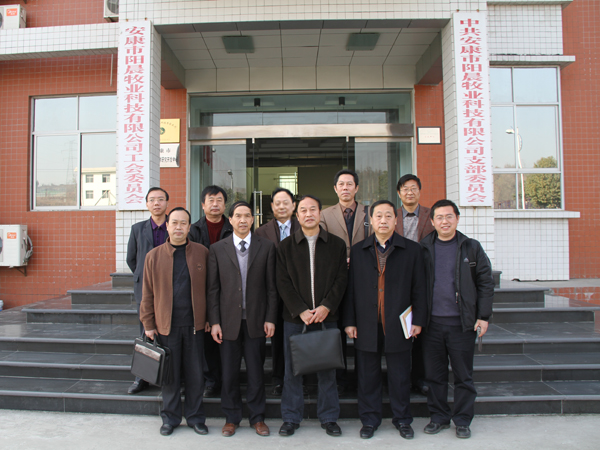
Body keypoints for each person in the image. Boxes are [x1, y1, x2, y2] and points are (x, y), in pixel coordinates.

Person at [344, 200, 427, 440]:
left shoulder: (412, 250)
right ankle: (369, 420)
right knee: (367, 376)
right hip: (366, 324)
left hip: (399, 324)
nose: (383, 220)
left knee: (400, 376)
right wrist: (350, 321)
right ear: (371, 220)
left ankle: (403, 420)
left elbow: (419, 288)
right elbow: (350, 290)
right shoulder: (358, 251)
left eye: (388, 215)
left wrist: (418, 320)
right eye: (378, 215)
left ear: (396, 220)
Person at [420, 199, 494, 439]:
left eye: (449, 216)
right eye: (439, 217)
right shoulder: (424, 248)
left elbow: (485, 283)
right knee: (435, 376)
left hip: (462, 324)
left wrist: (483, 316)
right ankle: (438, 417)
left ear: (457, 219)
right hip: (431, 325)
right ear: (432, 222)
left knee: (463, 376)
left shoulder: (471, 247)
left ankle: (462, 420)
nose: (445, 221)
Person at [276, 195, 348, 437]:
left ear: (320, 213)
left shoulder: (336, 245)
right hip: (296, 319)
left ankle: (329, 417)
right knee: (292, 370)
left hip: (327, 317)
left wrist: (327, 306)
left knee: (328, 369)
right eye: (303, 210)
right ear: (297, 216)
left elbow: (342, 279)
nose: (308, 214)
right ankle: (290, 417)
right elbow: (282, 282)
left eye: (313, 210)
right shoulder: (285, 247)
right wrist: (300, 309)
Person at [208, 201, 278, 437]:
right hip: (228, 322)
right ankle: (231, 418)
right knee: (229, 373)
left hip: (256, 320)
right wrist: (214, 321)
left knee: (256, 372)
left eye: (247, 215)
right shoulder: (217, 249)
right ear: (230, 220)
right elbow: (213, 289)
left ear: (253, 219)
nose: (242, 220)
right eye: (238, 216)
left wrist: (270, 318)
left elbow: (272, 288)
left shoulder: (266, 247)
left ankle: (258, 418)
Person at [140, 207, 210, 436]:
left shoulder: (202, 253)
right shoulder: (153, 256)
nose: (179, 227)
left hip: (195, 326)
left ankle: (195, 418)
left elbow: (211, 289)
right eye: (174, 223)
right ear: (167, 226)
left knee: (195, 375)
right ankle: (170, 418)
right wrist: (148, 324)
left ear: (189, 227)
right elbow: (147, 294)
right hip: (165, 326)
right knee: (169, 377)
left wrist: (209, 318)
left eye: (183, 223)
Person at [320, 169, 370, 394]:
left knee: (363, 330)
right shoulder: (324, 215)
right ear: (335, 188)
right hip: (335, 279)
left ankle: (362, 379)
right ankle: (339, 380)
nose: (345, 188)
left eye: (350, 184)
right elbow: (322, 245)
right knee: (336, 331)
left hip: (363, 279)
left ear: (356, 188)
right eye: (341, 184)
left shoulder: (369, 213)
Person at [254, 187, 300, 396]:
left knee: (298, 338)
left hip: (299, 293)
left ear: (294, 206)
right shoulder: (260, 232)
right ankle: (279, 379)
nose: (282, 206)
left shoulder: (303, 227)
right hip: (272, 294)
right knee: (278, 339)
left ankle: (300, 376)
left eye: (286, 202)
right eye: (277, 203)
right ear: (272, 207)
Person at [189, 185, 233, 397]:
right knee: (207, 339)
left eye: (219, 200)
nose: (215, 204)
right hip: (202, 290)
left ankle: (228, 379)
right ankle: (211, 380)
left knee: (228, 338)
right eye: (211, 200)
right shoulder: (193, 230)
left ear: (225, 205)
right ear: (203, 205)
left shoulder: (233, 227)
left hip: (230, 290)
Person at [125, 187, 169, 395]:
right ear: (146, 204)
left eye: (160, 199)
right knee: (146, 331)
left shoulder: (174, 225)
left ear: (167, 203)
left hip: (170, 287)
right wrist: (145, 277)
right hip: (145, 288)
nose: (156, 203)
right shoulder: (137, 229)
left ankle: (171, 376)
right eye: (152, 200)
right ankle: (142, 377)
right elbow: (131, 259)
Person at [395, 174, 435, 396]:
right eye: (405, 189)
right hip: (398, 281)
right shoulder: (392, 215)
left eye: (413, 188)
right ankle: (400, 378)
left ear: (419, 191)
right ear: (399, 193)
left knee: (421, 334)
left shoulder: (431, 215)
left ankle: (420, 378)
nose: (409, 192)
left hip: (425, 280)